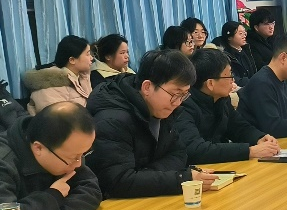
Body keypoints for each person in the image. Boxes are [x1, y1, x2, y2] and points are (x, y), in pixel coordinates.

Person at [86, 50, 216, 198]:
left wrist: (146, 175)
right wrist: (181, 179)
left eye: (184, 95)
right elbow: (118, 182)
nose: (178, 102)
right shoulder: (112, 120)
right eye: (175, 94)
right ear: (147, 87)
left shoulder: (162, 108)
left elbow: (179, 154)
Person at [0, 102, 102, 210]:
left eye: (83, 154)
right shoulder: (4, 161)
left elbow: (91, 191)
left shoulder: (64, 151)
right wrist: (53, 197)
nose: (78, 164)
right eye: (74, 157)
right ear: (38, 148)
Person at [174, 49, 280, 164]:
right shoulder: (183, 106)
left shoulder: (221, 99)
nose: (233, 80)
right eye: (229, 75)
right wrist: (249, 151)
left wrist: (259, 138)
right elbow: (195, 150)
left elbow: (239, 127)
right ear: (210, 83)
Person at [24, 35, 94, 114]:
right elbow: (56, 118)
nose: (91, 58)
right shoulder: (49, 85)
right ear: (72, 60)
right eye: (88, 54)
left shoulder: (81, 76)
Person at [213, 21, 258, 87]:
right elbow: (233, 78)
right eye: (240, 33)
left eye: (244, 32)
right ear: (229, 37)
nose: (244, 36)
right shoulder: (224, 55)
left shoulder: (246, 49)